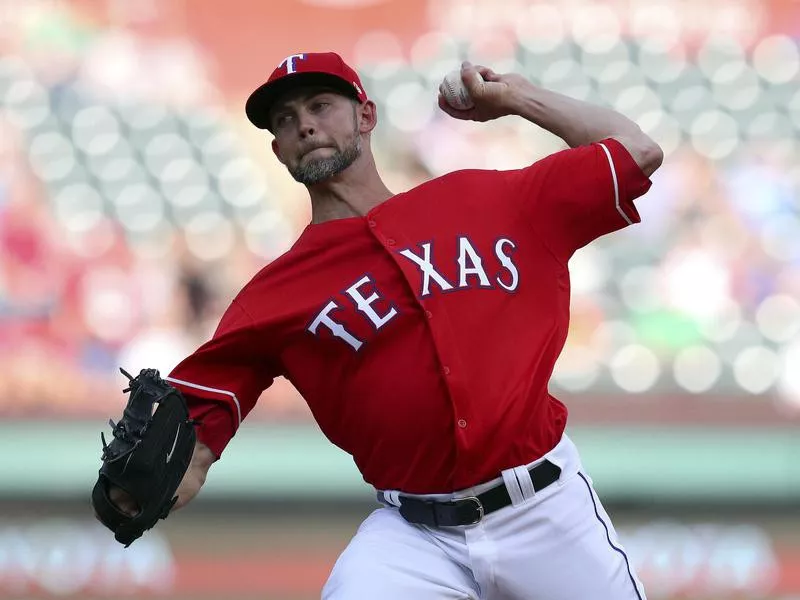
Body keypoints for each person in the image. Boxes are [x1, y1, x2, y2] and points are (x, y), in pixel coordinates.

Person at [105, 51, 663, 599]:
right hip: (415, 537)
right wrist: (166, 478)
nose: (304, 123)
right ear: (276, 149)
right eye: (285, 119)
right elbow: (197, 430)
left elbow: (636, 151)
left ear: (366, 116)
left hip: (545, 510)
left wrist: (516, 97)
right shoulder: (273, 295)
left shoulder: (492, 199)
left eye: (321, 105)